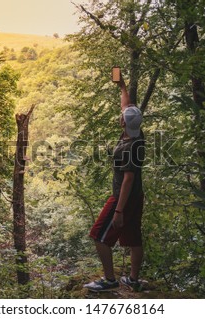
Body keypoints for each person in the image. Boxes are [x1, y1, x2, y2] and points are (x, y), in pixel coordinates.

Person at [84, 71, 145, 292]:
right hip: (137, 196)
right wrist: (122, 86)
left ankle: (109, 280)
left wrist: (118, 210)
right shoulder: (137, 135)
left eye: (122, 117)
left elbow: (128, 178)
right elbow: (126, 108)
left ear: (124, 123)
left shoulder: (129, 146)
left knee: (98, 235)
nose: (120, 116)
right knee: (134, 238)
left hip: (123, 197)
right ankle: (133, 280)